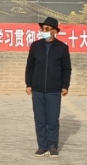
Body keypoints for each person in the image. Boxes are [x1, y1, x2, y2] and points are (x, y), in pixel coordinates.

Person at [25, 17, 72, 157]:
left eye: (47, 29)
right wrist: (29, 84)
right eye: (42, 29)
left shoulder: (62, 48)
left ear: (54, 31)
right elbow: (30, 66)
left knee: (52, 120)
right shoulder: (35, 46)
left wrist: (65, 86)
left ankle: (52, 146)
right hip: (38, 89)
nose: (43, 31)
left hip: (54, 90)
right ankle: (42, 146)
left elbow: (66, 69)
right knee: (40, 119)